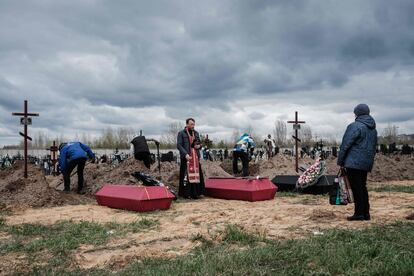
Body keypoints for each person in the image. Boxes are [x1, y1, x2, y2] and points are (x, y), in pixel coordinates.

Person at [337, 104, 377, 221]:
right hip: (366, 162)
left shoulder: (355, 126)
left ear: (357, 113)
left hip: (353, 162)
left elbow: (345, 145)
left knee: (356, 187)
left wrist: (341, 161)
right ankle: (366, 213)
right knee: (362, 186)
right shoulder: (373, 129)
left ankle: (359, 213)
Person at [177, 118, 205, 199]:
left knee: (197, 174)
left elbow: (199, 143)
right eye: (191, 124)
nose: (193, 126)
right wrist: (185, 154)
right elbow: (179, 145)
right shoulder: (181, 133)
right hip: (186, 157)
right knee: (186, 175)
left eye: (194, 124)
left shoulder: (196, 133)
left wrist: (199, 146)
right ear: (187, 124)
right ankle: (186, 194)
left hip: (195, 157)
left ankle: (196, 193)